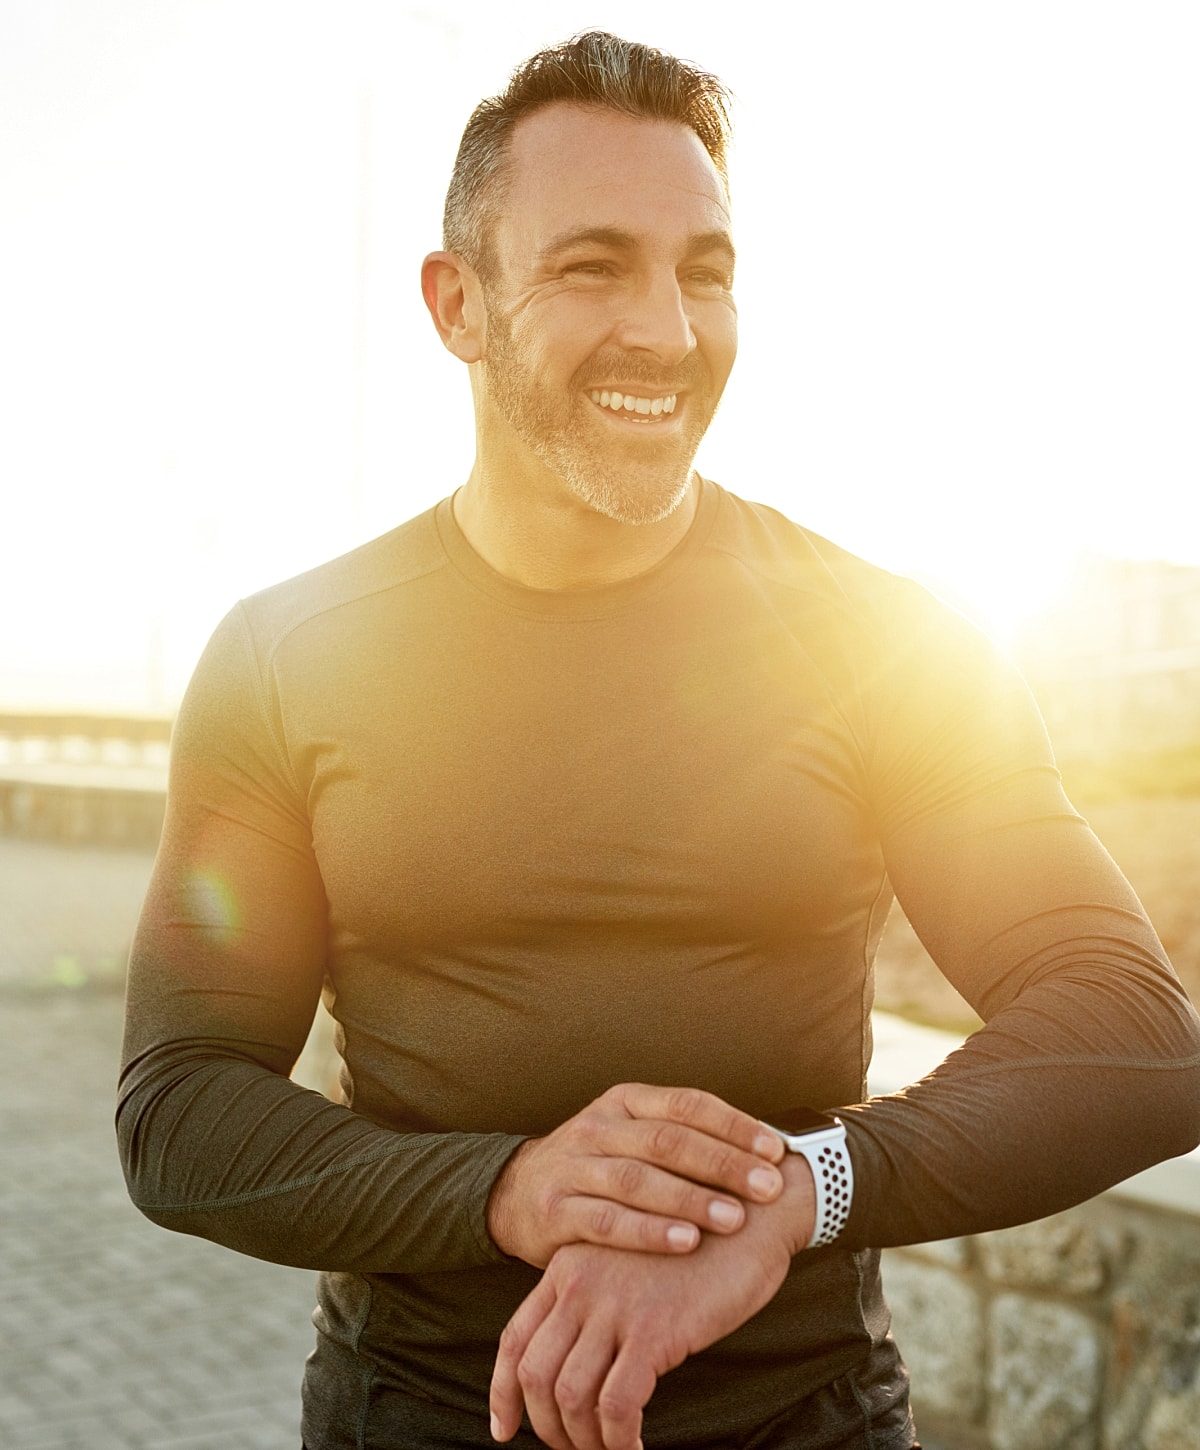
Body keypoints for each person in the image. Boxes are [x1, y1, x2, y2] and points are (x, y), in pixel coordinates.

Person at [117, 30, 1200, 1450]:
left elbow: (1136, 1029)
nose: (671, 332)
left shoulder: (884, 638)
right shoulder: (287, 655)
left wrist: (798, 1190)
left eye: (706, 271)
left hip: (805, 1420)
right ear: (458, 303)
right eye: (592, 265)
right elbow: (181, 1106)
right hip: (420, 1417)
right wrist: (508, 1188)